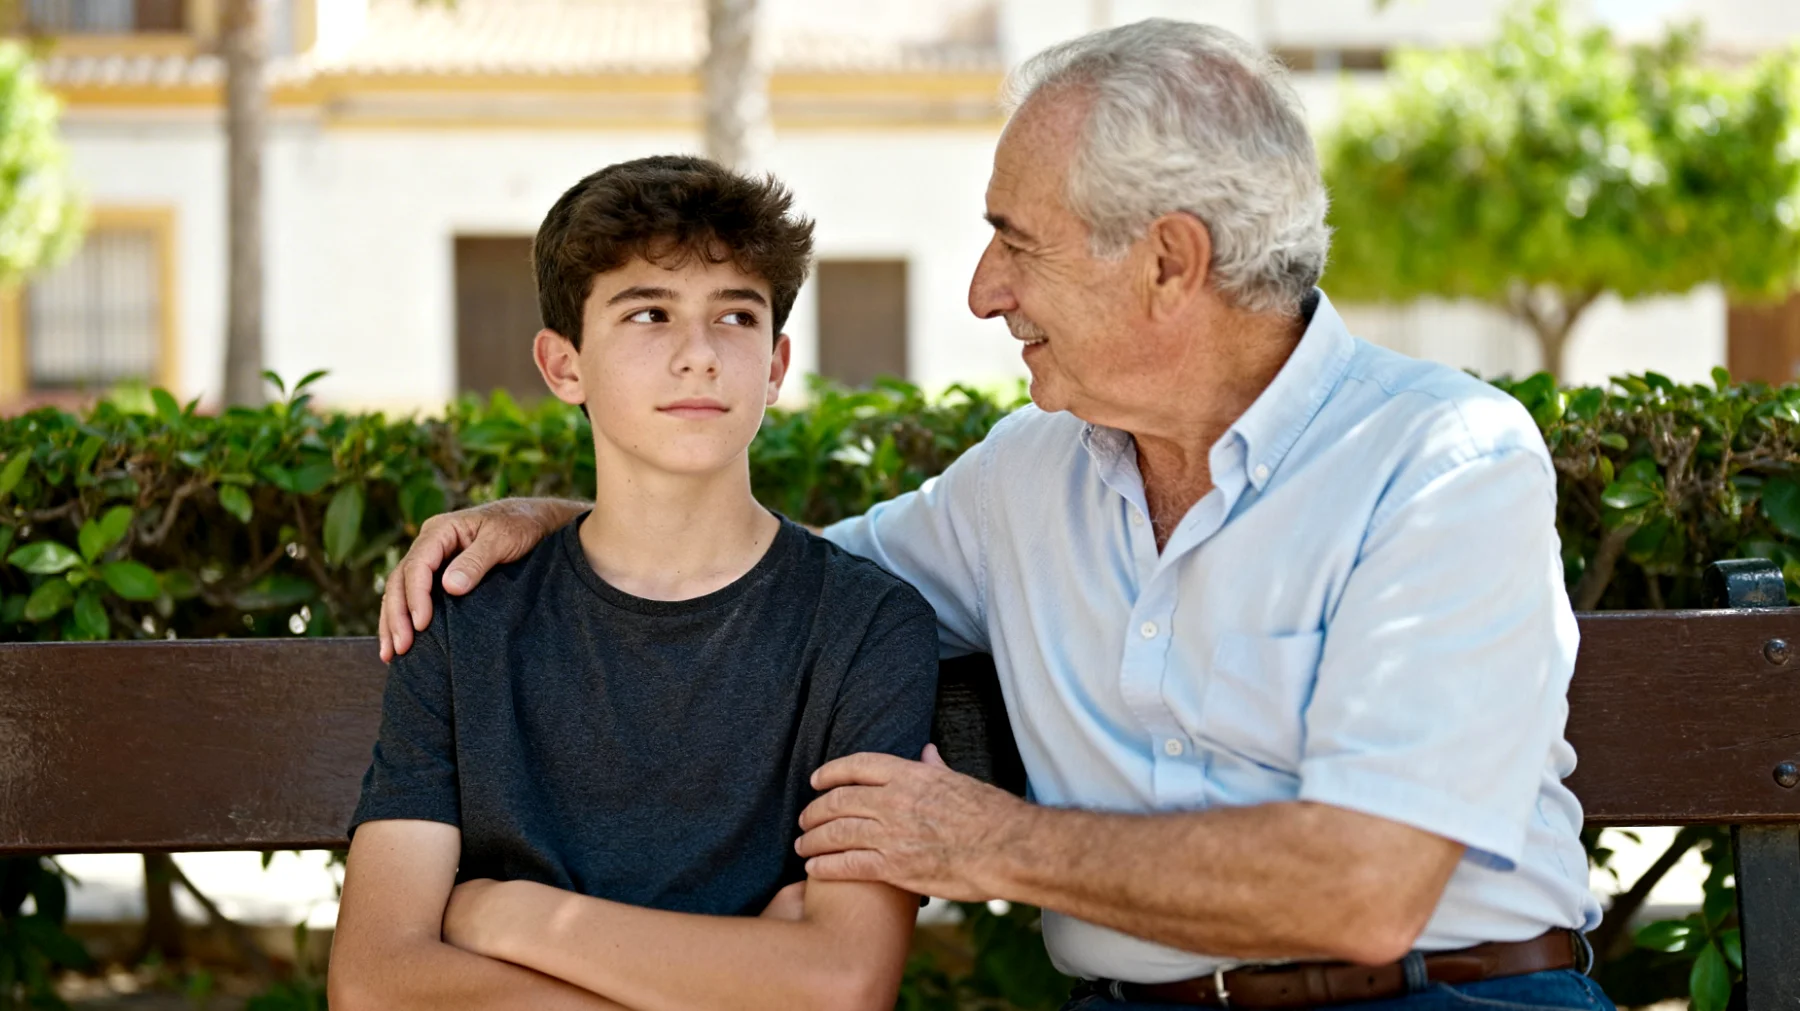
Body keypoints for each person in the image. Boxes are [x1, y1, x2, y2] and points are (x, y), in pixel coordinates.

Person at [378, 21, 1612, 1011]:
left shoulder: (1442, 463)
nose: (983, 293)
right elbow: (749, 574)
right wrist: (555, 518)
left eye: (1015, 245)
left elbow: (1364, 890)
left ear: (1170, 263)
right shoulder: (1029, 475)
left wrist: (992, 844)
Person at [328, 155, 939, 1011]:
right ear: (563, 365)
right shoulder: (466, 617)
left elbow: (839, 982)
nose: (699, 356)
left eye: (735, 316)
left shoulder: (867, 627)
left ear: (775, 362)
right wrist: (746, 973)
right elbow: (374, 980)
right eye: (649, 313)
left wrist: (508, 915)